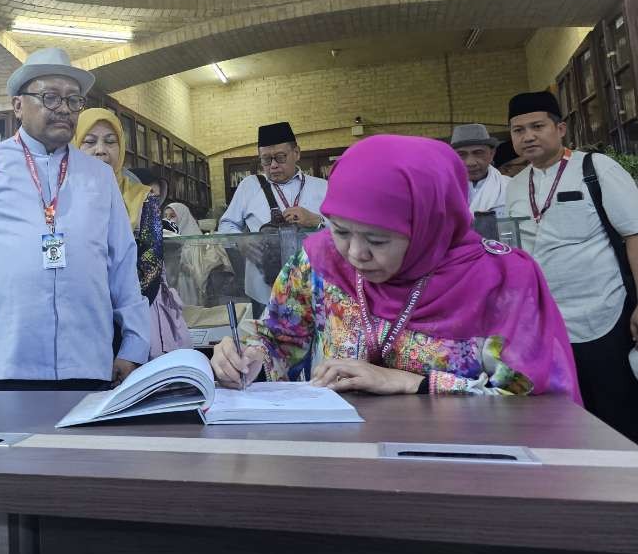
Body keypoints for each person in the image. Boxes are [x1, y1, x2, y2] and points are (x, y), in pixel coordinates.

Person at [212, 135, 579, 401]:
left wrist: (412, 382)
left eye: (378, 240)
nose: (356, 253)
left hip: (462, 471)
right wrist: (250, 357)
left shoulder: (501, 279)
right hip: (342, 461)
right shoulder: (318, 260)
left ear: (428, 225)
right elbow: (281, 336)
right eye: (340, 230)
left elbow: (532, 391)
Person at [0, 48, 149, 394]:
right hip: (4, 356)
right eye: (50, 98)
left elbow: (122, 264)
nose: (64, 109)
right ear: (18, 105)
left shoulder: (98, 175)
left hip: (89, 357)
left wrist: (134, 343)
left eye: (73, 100)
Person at [505, 91, 638, 440]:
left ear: (560, 128)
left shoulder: (594, 169)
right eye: (518, 130)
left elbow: (635, 233)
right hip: (548, 324)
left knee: (618, 407)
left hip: (605, 315)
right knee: (569, 413)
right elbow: (514, 252)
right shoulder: (515, 187)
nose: (528, 136)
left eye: (537, 126)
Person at [218, 122, 327, 303]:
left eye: (281, 157)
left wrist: (316, 220)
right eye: (266, 160)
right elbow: (226, 224)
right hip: (263, 290)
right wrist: (241, 240)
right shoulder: (249, 186)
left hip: (315, 286)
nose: (273, 165)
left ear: (297, 153)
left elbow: (346, 230)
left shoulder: (322, 188)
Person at [75, 110, 163, 302]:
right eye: (89, 142)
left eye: (110, 141)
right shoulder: (59, 198)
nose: (100, 149)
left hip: (127, 316)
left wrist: (115, 311)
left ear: (121, 146)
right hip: (74, 313)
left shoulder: (144, 199)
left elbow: (151, 268)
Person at [165, 202, 234, 306]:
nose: (168, 220)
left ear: (183, 216)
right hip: (172, 287)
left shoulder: (196, 240)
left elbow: (201, 271)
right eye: (165, 216)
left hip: (190, 288)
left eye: (172, 216)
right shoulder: (167, 240)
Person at [451, 123, 509, 215]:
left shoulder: (510, 186)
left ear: (492, 154)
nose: (470, 163)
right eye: (461, 155)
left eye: (478, 153)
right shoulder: (443, 191)